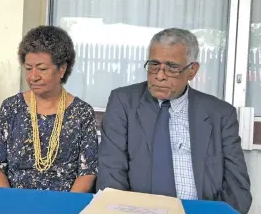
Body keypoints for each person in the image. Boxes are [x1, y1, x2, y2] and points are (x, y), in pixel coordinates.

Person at [97, 28, 252, 213]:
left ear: (192, 71)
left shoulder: (220, 113)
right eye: (154, 65)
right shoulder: (123, 102)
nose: (160, 75)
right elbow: (111, 174)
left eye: (172, 67)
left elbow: (237, 187)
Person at [0, 25, 98, 192]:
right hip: (13, 202)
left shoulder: (82, 112)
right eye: (28, 69)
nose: (33, 77)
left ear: (62, 69)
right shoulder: (11, 107)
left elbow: (87, 172)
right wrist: (9, 203)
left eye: (42, 69)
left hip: (63, 205)